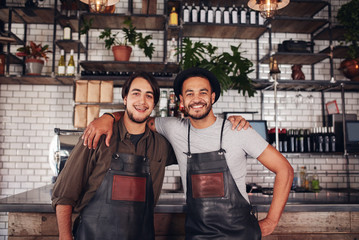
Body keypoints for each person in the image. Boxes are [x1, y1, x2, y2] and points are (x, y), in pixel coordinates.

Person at [83, 67, 294, 239]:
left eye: (203, 92)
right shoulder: (173, 127)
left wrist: (271, 221)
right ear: (181, 100)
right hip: (197, 234)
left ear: (212, 97)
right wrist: (108, 117)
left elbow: (284, 169)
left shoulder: (238, 130)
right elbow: (137, 115)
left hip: (240, 234)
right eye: (190, 93)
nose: (197, 99)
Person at [52, 72, 179, 240]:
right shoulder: (96, 136)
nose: (142, 101)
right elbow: (64, 193)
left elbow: (195, 142)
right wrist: (65, 236)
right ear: (125, 98)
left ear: (154, 103)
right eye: (136, 93)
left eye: (149, 96)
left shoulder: (161, 146)